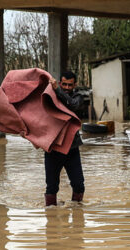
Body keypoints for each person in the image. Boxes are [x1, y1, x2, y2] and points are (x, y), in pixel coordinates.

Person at [44, 71, 85, 206]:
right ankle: (51, 217)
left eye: (70, 85)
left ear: (75, 85)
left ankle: (78, 213)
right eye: (64, 85)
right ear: (60, 83)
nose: (67, 88)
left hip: (71, 149)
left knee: (79, 184)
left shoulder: (78, 97)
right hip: (53, 148)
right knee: (51, 187)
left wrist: (57, 90)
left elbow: (72, 104)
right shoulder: (50, 96)